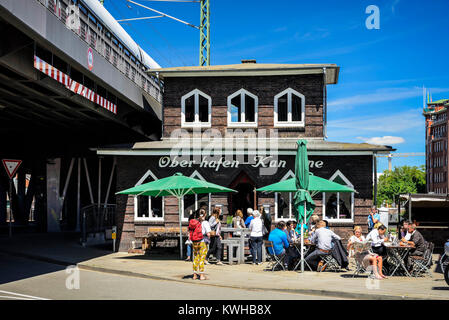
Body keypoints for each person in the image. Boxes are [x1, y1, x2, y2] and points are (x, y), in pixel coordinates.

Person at [189, 209, 210, 280]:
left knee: (195, 257)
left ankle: (194, 275)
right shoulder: (205, 223)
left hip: (195, 242)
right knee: (202, 258)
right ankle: (201, 275)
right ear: (205, 215)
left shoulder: (195, 222)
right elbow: (208, 234)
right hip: (202, 242)